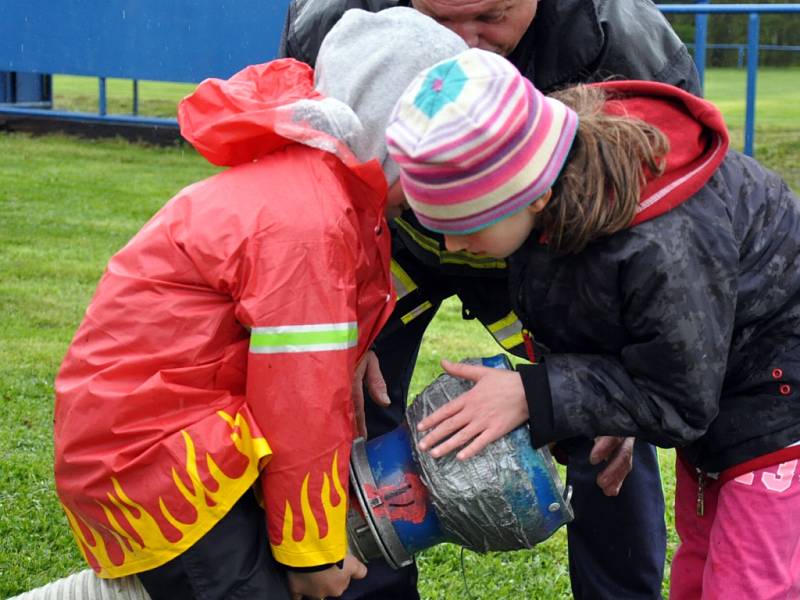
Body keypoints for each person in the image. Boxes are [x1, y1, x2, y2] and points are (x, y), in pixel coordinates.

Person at [280, 1, 700, 598]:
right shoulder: (331, 25)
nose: (465, 46)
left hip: (548, 249)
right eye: (442, 19)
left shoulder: (625, 46)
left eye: (490, 16)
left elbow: (655, 236)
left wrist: (619, 375)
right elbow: (307, 193)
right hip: (393, 240)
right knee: (348, 405)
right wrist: (337, 323)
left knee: (602, 425)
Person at [52, 8, 467, 600]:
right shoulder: (311, 221)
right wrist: (313, 552)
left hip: (163, 451)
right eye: (446, 156)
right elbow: (301, 401)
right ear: (390, 133)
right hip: (162, 466)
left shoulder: (318, 194)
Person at [387, 47, 800, 599]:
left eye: (467, 225)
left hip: (778, 414)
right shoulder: (562, 196)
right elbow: (603, 320)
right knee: (700, 576)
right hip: (726, 415)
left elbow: (680, 398)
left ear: (531, 195)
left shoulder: (664, 243)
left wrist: (534, 395)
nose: (455, 246)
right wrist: (602, 402)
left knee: (749, 585)